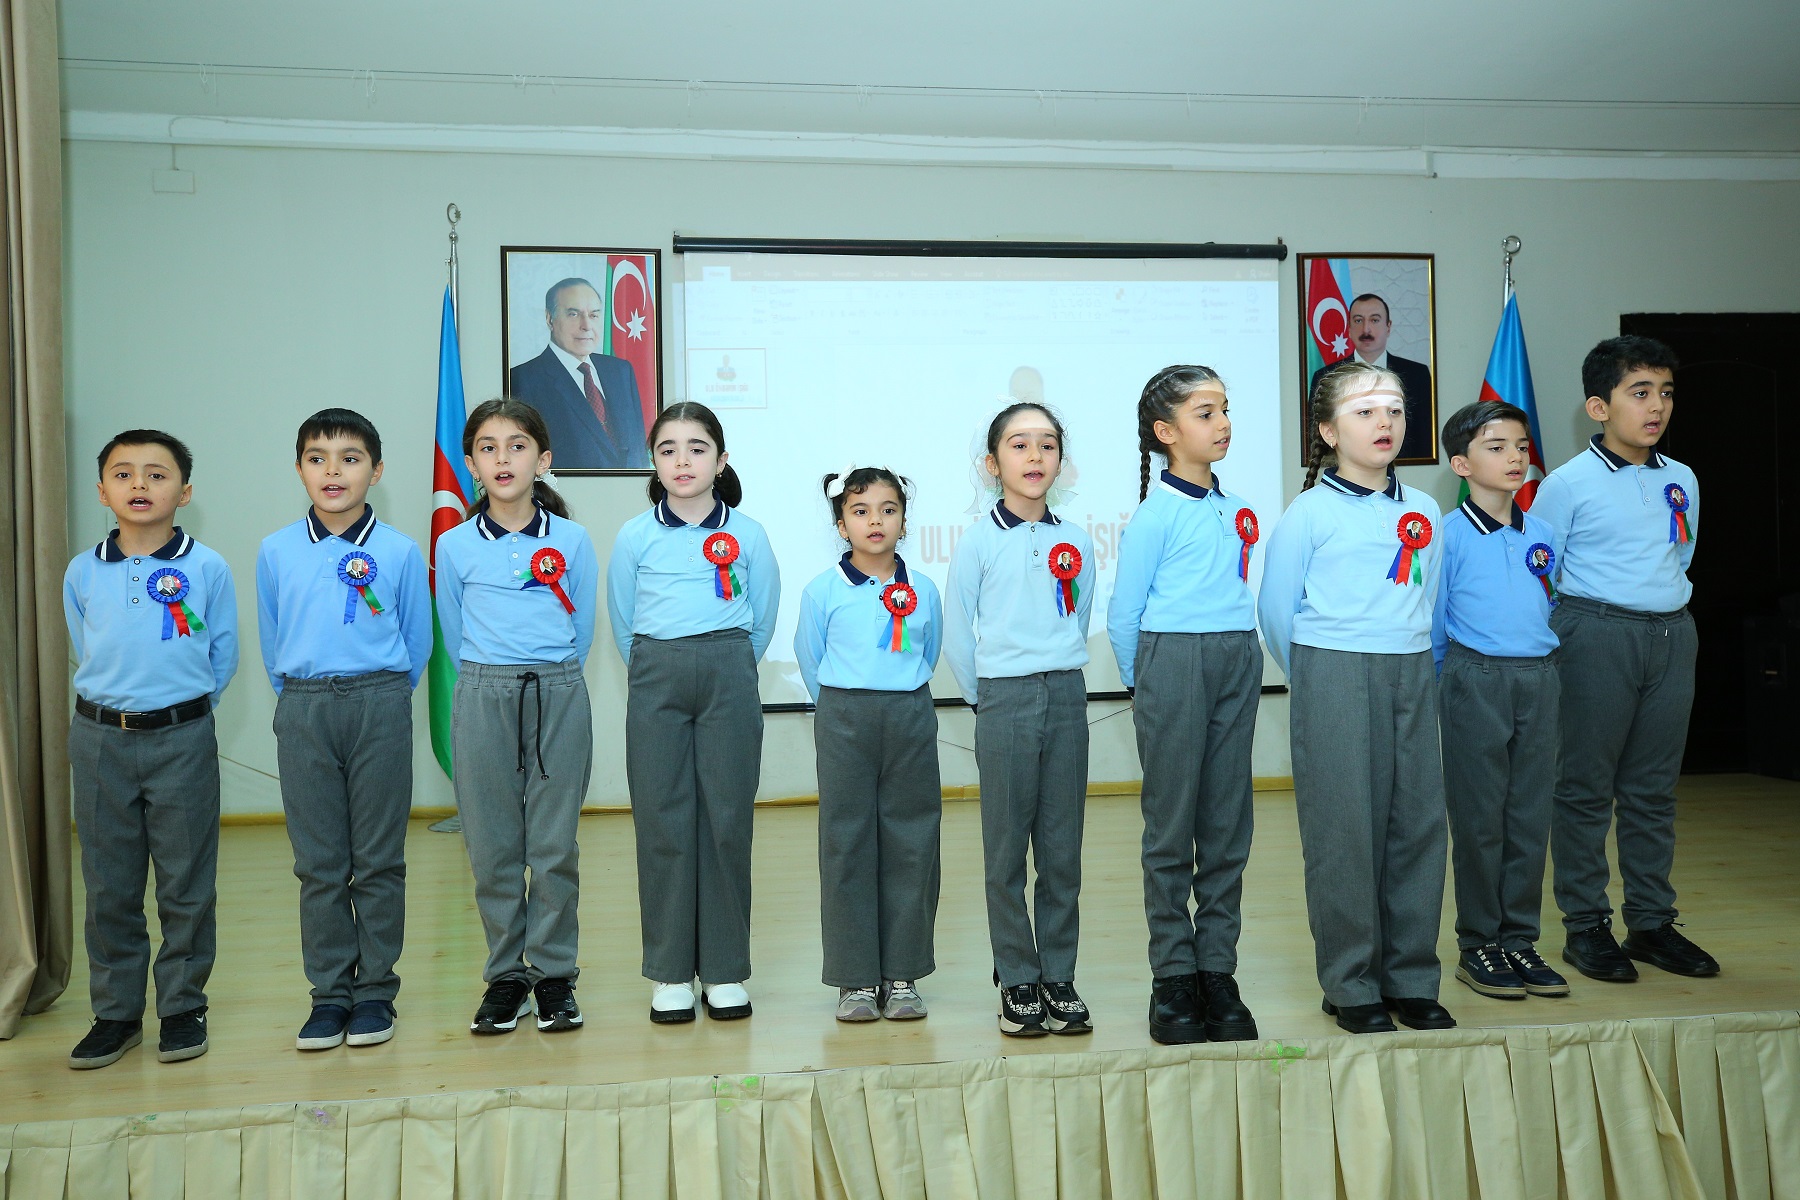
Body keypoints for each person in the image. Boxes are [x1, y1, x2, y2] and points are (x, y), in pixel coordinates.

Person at [1257, 362, 1455, 1035]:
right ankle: (1351, 983)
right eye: (1365, 411)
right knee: (1345, 832)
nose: (1384, 423)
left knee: (1417, 827)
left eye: (1394, 410)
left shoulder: (1424, 509)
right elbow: (1277, 612)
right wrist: (1318, 678)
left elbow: (1428, 598)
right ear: (1327, 430)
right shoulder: (1308, 513)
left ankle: (1411, 978)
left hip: (1411, 670)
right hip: (1333, 671)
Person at [1530, 336, 1718, 982]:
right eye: (1639, 393)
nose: (1656, 406)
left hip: (1672, 635)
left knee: (1652, 790)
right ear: (1599, 406)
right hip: (1594, 634)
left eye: (1665, 392)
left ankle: (1652, 923)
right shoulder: (1566, 485)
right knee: (1584, 788)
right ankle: (1585, 925)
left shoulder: (1683, 478)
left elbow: (1680, 556)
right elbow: (1541, 574)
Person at [256, 408, 433, 1051]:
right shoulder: (276, 550)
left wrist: (383, 697)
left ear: (375, 471)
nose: (333, 471)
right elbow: (273, 637)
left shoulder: (400, 551)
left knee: (379, 859)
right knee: (319, 863)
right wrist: (303, 699)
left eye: (350, 458)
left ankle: (376, 992)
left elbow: (417, 639)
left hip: (379, 703)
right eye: (318, 458)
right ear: (300, 469)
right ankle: (329, 993)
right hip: (304, 707)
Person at [64, 430, 239, 1069]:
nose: (139, 485)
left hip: (182, 740)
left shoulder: (207, 567)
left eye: (157, 474)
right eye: (124, 473)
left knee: (186, 881)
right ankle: (115, 1014)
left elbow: (222, 654)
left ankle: (183, 1006)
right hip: (99, 741)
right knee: (109, 883)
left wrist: (177, 711)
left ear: (184, 492)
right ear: (102, 491)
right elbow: (85, 645)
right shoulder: (82, 571)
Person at [607, 401, 780, 1023]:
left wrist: (725, 662)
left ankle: (726, 970)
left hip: (729, 671)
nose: (683, 461)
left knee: (727, 820)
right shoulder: (635, 536)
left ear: (721, 460)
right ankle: (672, 971)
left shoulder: (749, 534)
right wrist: (661, 665)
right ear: (653, 463)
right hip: (657, 675)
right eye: (668, 449)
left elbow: (763, 616)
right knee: (663, 822)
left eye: (697, 448)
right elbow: (622, 620)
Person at [1107, 366, 1262, 1045]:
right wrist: (1145, 685)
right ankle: (1173, 972)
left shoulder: (1236, 508)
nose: (1222, 423)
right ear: (1166, 432)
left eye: (1225, 409)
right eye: (1205, 412)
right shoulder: (1156, 514)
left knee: (1227, 822)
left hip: (1236, 656)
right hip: (1171, 662)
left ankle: (1216, 969)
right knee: (1171, 826)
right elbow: (1124, 614)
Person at [435, 398, 598, 1036]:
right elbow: (454, 629)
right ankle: (507, 976)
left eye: (518, 445)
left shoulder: (572, 540)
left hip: (556, 691)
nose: (503, 459)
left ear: (543, 460)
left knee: (554, 845)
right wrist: (493, 680)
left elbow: (581, 629)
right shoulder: (453, 545)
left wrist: (549, 676)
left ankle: (554, 975)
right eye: (488, 448)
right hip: (484, 694)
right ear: (473, 464)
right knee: (493, 845)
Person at [945, 402, 1096, 1038]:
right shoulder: (978, 541)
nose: (1035, 456)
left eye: (1047, 444)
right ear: (992, 463)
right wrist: (986, 699)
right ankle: (1017, 977)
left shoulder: (1077, 539)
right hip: (1002, 700)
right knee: (1006, 849)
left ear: (1061, 461)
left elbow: (1078, 617)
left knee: (1062, 849)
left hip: (1065, 695)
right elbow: (958, 632)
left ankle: (1058, 974)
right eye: (1019, 444)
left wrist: (1055, 672)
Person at [794, 466, 944, 1023]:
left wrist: (898, 696)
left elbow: (929, 652)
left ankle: (902, 974)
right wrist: (842, 707)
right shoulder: (823, 590)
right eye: (860, 511)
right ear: (842, 525)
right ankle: (855, 978)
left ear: (903, 521)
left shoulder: (923, 589)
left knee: (912, 842)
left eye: (887, 509)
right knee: (846, 843)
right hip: (844, 719)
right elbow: (810, 656)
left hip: (908, 717)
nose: (874, 521)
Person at [1431, 401, 1569, 1001]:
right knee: (1480, 819)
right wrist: (1447, 687)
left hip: (1539, 679)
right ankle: (1478, 942)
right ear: (1461, 464)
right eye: (1496, 447)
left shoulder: (1542, 534)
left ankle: (1520, 939)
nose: (1515, 457)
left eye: (1520, 446)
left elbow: (1549, 604)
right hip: (1475, 679)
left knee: (1530, 816)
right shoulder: (1447, 535)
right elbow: (1434, 622)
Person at [509, 276, 649, 471]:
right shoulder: (522, 380)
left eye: (593, 315)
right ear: (550, 319)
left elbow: (638, 451)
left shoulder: (621, 371)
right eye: (574, 314)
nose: (586, 325)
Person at [1309, 293, 1435, 461]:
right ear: (1348, 328)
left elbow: (1424, 436)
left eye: (1374, 320)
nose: (1366, 329)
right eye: (1358, 321)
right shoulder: (1325, 376)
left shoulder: (1417, 374)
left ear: (1388, 327)